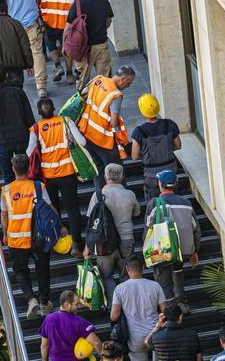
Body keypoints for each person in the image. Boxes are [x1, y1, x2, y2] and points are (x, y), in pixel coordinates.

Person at [27, 97, 86, 254]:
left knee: (54, 209)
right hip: (67, 173)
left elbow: (28, 152)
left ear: (39, 113)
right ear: (54, 108)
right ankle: (76, 244)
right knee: (73, 208)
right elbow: (82, 142)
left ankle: (58, 240)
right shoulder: (65, 121)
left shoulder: (36, 129)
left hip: (49, 176)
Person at [1, 153, 53, 319]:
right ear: (29, 168)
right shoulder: (39, 187)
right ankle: (44, 302)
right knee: (43, 269)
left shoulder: (6, 191)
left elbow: (4, 216)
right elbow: (49, 209)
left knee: (20, 271)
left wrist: (5, 234)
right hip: (39, 237)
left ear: (13, 169)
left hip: (16, 239)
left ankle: (31, 300)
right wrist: (61, 227)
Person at [111, 256, 165, 361]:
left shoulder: (120, 289)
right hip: (155, 334)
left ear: (127, 270)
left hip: (134, 338)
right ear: (143, 267)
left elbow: (114, 316)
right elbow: (164, 310)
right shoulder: (154, 285)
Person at [84, 163, 140, 300]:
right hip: (126, 240)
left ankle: (114, 304)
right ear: (122, 177)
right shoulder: (130, 194)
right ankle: (128, 303)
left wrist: (87, 247)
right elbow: (137, 212)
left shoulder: (97, 195)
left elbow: (92, 224)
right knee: (126, 275)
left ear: (105, 177)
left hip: (104, 242)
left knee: (106, 276)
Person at [146, 170, 200, 310]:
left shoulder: (154, 203)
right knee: (178, 272)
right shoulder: (186, 203)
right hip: (183, 250)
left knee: (164, 282)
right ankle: (182, 303)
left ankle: (171, 309)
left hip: (163, 251)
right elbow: (195, 228)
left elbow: (148, 229)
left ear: (160, 185)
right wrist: (195, 251)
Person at [0, 0, 49, 97]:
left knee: (13, 52)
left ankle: (14, 81)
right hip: (32, 22)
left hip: (13, 24)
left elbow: (0, 2)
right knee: (37, 52)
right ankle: (41, 86)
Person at [78, 66, 136, 190]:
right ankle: (121, 196)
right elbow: (114, 122)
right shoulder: (115, 95)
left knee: (98, 171)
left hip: (87, 133)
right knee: (116, 170)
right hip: (104, 141)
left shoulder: (98, 79)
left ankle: (102, 200)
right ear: (123, 78)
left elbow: (82, 94)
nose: (129, 86)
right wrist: (117, 134)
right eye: (129, 82)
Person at [0, 62, 35, 185]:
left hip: (2, 141)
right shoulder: (19, 93)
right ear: (6, 75)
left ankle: (13, 201)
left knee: (7, 175)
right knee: (26, 172)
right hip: (22, 138)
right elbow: (29, 118)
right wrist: (34, 138)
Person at [39, 0, 79, 85]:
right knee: (67, 47)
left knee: (51, 45)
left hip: (48, 20)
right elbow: (77, 0)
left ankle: (57, 66)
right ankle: (69, 74)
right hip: (67, 21)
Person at [67, 0, 115, 92]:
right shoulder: (104, 2)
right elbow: (108, 22)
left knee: (81, 84)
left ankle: (83, 107)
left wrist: (65, 45)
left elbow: (68, 28)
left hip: (83, 49)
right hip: (101, 45)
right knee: (105, 82)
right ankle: (103, 106)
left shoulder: (77, 5)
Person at [131, 93, 182, 202]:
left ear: (142, 110)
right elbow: (178, 145)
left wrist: (146, 155)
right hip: (170, 172)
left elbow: (134, 156)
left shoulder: (139, 132)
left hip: (151, 176)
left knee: (153, 204)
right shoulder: (170, 124)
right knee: (174, 201)